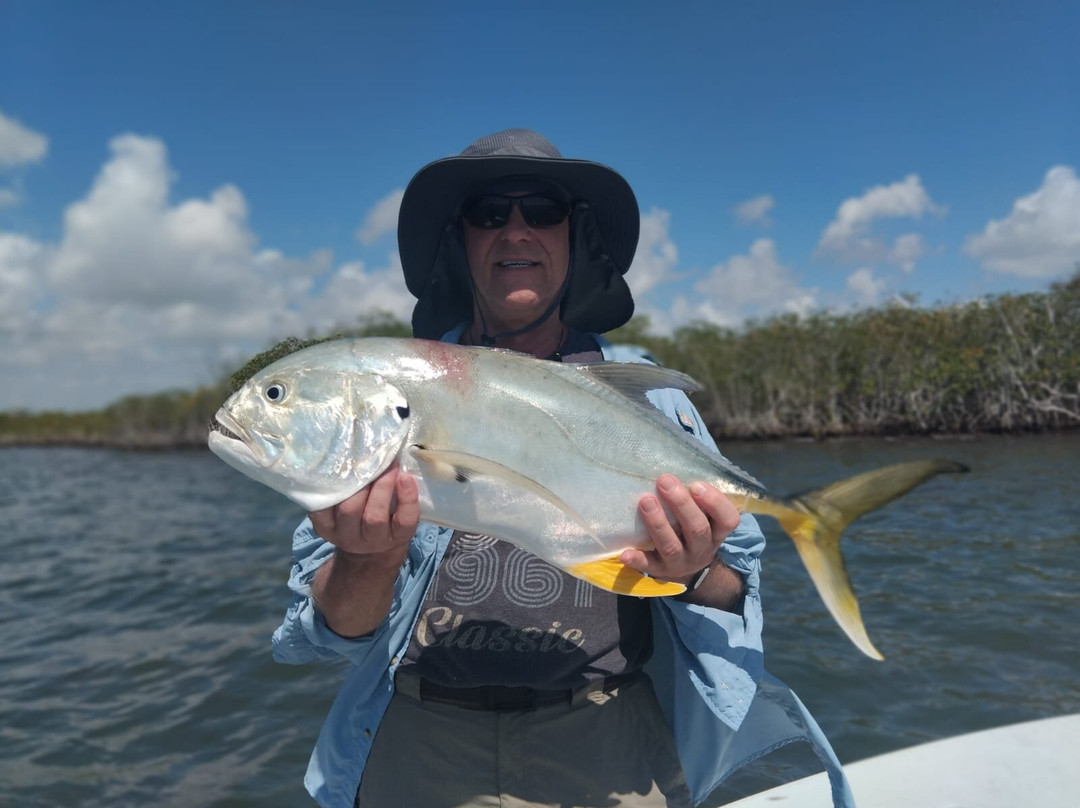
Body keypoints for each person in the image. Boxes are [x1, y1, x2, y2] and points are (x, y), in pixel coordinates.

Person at [272, 129, 855, 808]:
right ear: (460, 242)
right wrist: (367, 560)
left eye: (541, 210)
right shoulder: (392, 394)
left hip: (611, 744)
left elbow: (733, 593)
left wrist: (692, 568)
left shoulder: (649, 397)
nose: (515, 231)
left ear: (574, 238)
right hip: (419, 746)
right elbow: (326, 634)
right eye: (490, 213)